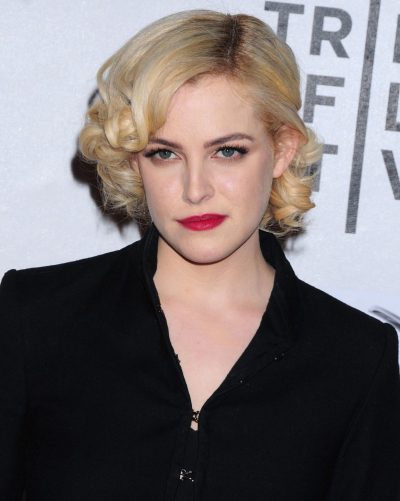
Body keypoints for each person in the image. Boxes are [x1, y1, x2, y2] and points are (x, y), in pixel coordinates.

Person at [1, 9, 399, 501]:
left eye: (227, 151)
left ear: (282, 150)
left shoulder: (355, 358)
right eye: (164, 153)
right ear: (134, 162)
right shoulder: (36, 317)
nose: (195, 190)